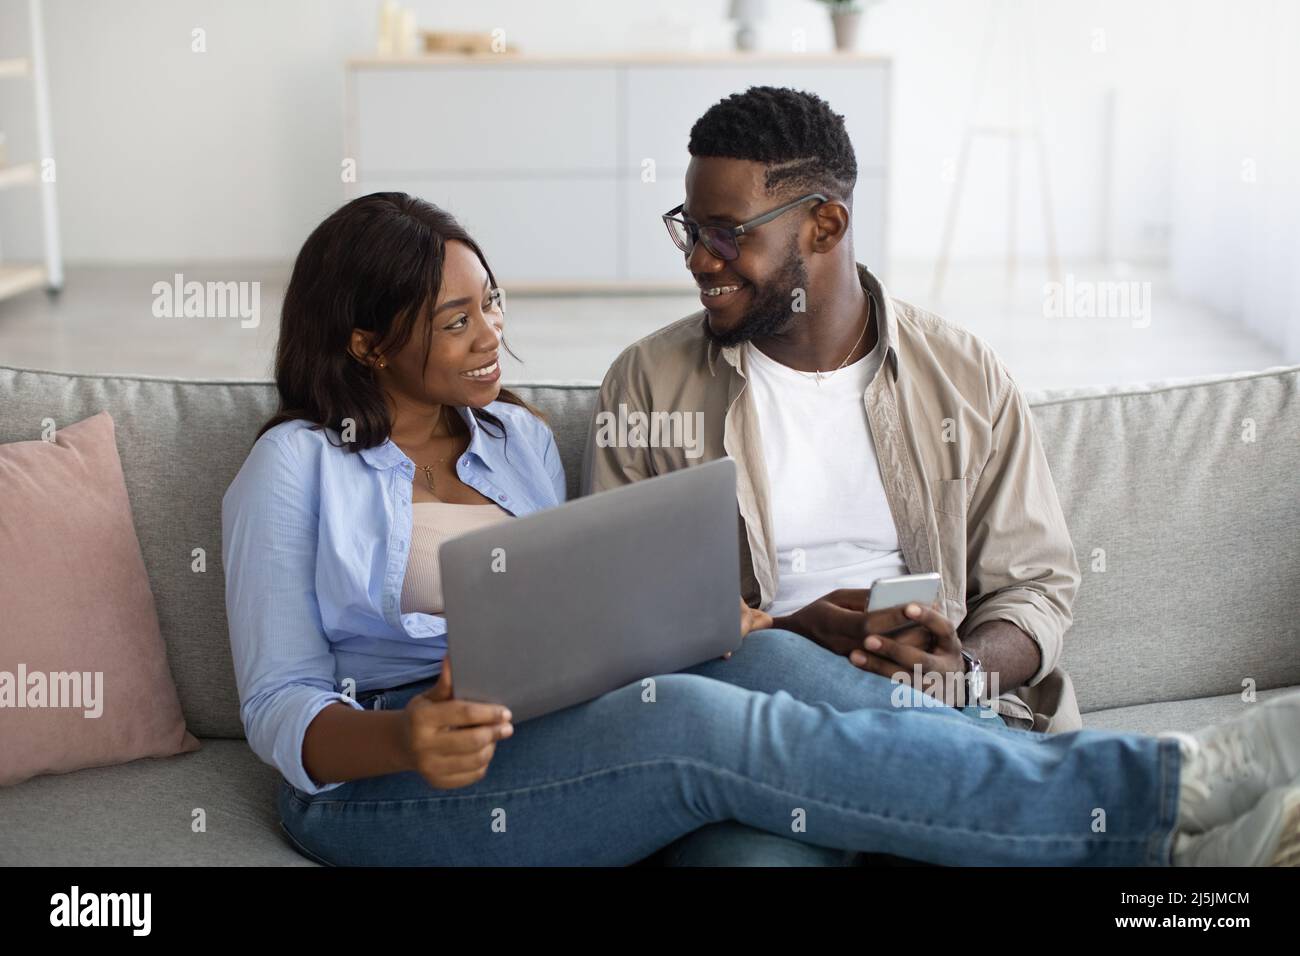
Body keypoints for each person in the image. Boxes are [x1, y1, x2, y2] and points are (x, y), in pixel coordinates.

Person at [221, 192, 1300, 868]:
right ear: (367, 340)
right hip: (377, 782)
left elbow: (559, 620)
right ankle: (1164, 794)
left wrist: (726, 615)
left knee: (779, 655)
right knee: (691, 722)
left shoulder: (512, 443)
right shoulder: (294, 468)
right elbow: (279, 707)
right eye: (455, 318)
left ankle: (1160, 826)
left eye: (492, 301)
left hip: (528, 726)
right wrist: (406, 738)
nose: (492, 332)